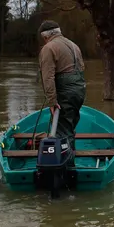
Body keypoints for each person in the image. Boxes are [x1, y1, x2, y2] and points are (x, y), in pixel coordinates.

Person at [37, 20, 86, 153]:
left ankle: (66, 168)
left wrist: (52, 101)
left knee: (62, 132)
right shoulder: (74, 45)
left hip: (65, 94)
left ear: (46, 36)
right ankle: (71, 156)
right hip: (79, 91)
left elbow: (48, 77)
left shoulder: (48, 48)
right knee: (69, 128)